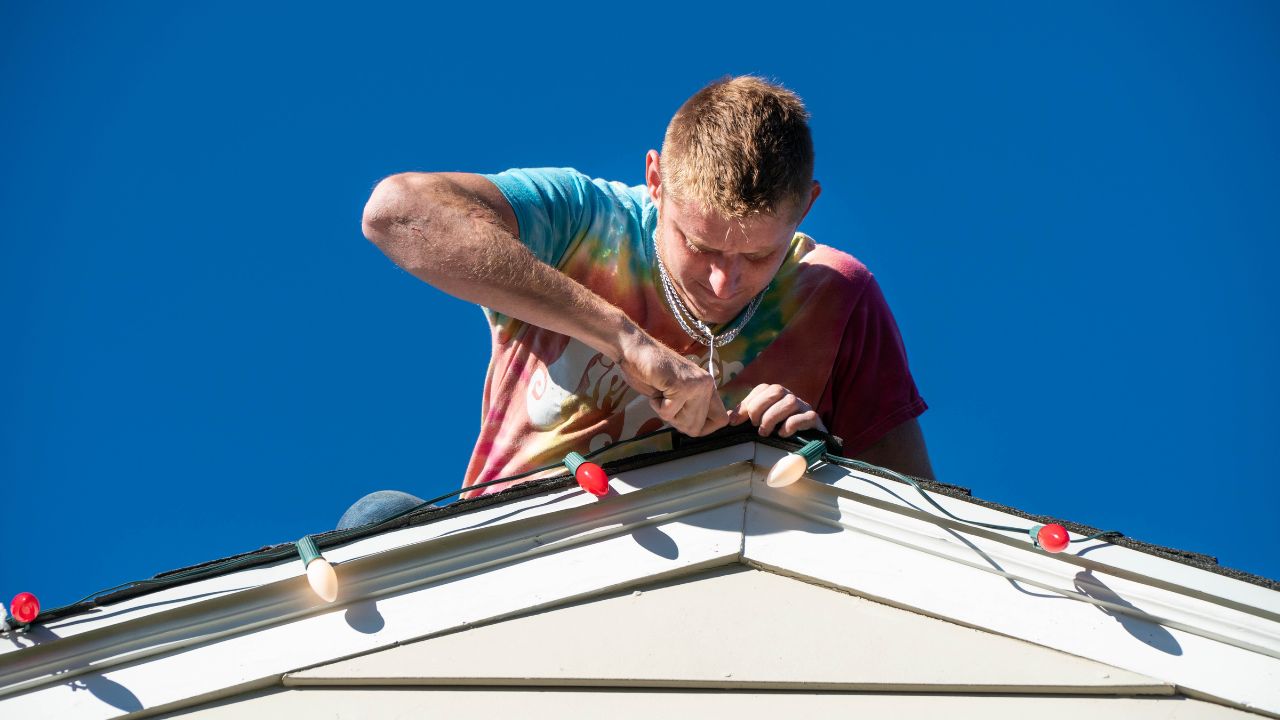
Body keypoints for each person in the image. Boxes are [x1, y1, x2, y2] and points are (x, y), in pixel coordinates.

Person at [338, 76, 933, 530]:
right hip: (512, 552)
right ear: (655, 178)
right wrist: (624, 339)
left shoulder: (838, 296)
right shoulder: (584, 221)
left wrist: (818, 451)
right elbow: (395, 212)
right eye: (698, 246)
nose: (724, 283)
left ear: (806, 208)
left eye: (755, 257)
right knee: (378, 519)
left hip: (719, 586)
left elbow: (916, 519)